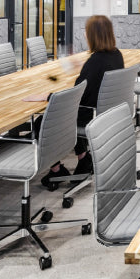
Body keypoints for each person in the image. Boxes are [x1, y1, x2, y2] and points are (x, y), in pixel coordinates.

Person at [41, 15, 123, 188]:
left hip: (89, 114)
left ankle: (56, 169)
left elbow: (75, 95)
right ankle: (84, 159)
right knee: (70, 114)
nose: (85, 35)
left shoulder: (95, 62)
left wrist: (48, 96)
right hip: (107, 114)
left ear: (93, 35)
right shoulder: (116, 55)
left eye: (87, 32)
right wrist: (82, 69)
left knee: (42, 122)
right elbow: (90, 81)